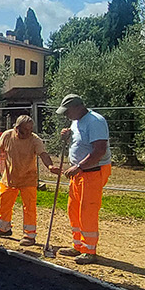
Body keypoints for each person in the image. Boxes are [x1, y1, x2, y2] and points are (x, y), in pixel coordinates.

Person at [53, 93, 111, 264]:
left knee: (87, 211)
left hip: (92, 171)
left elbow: (99, 151)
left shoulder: (95, 121)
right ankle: (78, 245)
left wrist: (79, 166)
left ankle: (89, 250)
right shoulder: (76, 121)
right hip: (80, 173)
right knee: (74, 209)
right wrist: (67, 136)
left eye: (67, 111)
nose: (66, 115)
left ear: (78, 107)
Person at [0, 114, 55, 248]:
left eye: (30, 130)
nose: (28, 133)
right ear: (17, 128)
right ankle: (4, 228)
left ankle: (29, 235)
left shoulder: (35, 140)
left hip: (28, 179)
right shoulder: (7, 135)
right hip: (9, 178)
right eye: (25, 130)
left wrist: (50, 166)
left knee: (29, 207)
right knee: (5, 204)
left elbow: (43, 154)